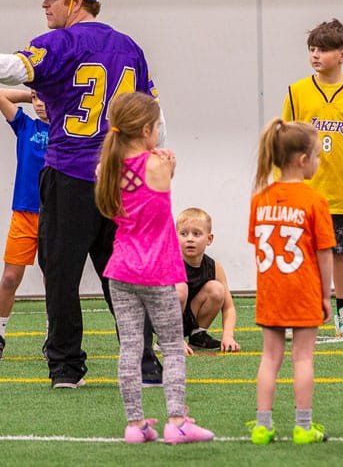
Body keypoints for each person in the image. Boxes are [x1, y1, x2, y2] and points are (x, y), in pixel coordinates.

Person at [0, 0, 162, 388]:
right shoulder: (129, 47)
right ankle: (145, 365)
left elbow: (11, 68)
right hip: (120, 180)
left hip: (70, 174)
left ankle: (67, 367)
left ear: (76, 2)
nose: (45, 5)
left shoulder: (59, 43)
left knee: (61, 276)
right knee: (122, 275)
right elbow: (152, 114)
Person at [95, 92, 214, 444]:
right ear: (147, 129)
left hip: (120, 270)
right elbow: (168, 170)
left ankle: (135, 425)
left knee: (130, 348)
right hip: (157, 272)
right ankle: (176, 420)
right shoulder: (160, 164)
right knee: (173, 347)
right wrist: (164, 156)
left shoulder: (106, 168)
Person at [282, 19, 343, 339]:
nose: (315, 55)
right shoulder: (296, 92)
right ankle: (296, 311)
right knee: (300, 253)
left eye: (323, 50)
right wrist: (280, 181)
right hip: (304, 191)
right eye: (312, 49)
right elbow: (283, 139)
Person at [246, 118, 334, 445]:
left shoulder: (260, 199)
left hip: (271, 291)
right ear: (301, 159)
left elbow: (257, 244)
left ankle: (262, 425)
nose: (318, 161)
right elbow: (324, 254)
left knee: (270, 358)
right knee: (303, 358)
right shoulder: (315, 201)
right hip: (303, 290)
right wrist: (326, 296)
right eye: (316, 156)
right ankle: (303, 425)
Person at [0, 88, 48, 360]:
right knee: (10, 277)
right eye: (37, 99)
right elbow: (0, 94)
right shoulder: (25, 125)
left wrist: (56, 95)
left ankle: (53, 336)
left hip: (55, 214)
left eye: (47, 99)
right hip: (24, 213)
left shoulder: (70, 130)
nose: (41, 104)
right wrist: (33, 92)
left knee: (55, 280)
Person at [175, 208, 240, 352]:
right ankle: (168, 339)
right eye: (183, 234)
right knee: (180, 288)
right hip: (163, 319)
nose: (190, 238)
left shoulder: (214, 267)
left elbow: (229, 307)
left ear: (209, 239)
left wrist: (228, 336)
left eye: (196, 234)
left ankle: (198, 335)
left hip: (189, 314)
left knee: (216, 289)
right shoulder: (170, 263)